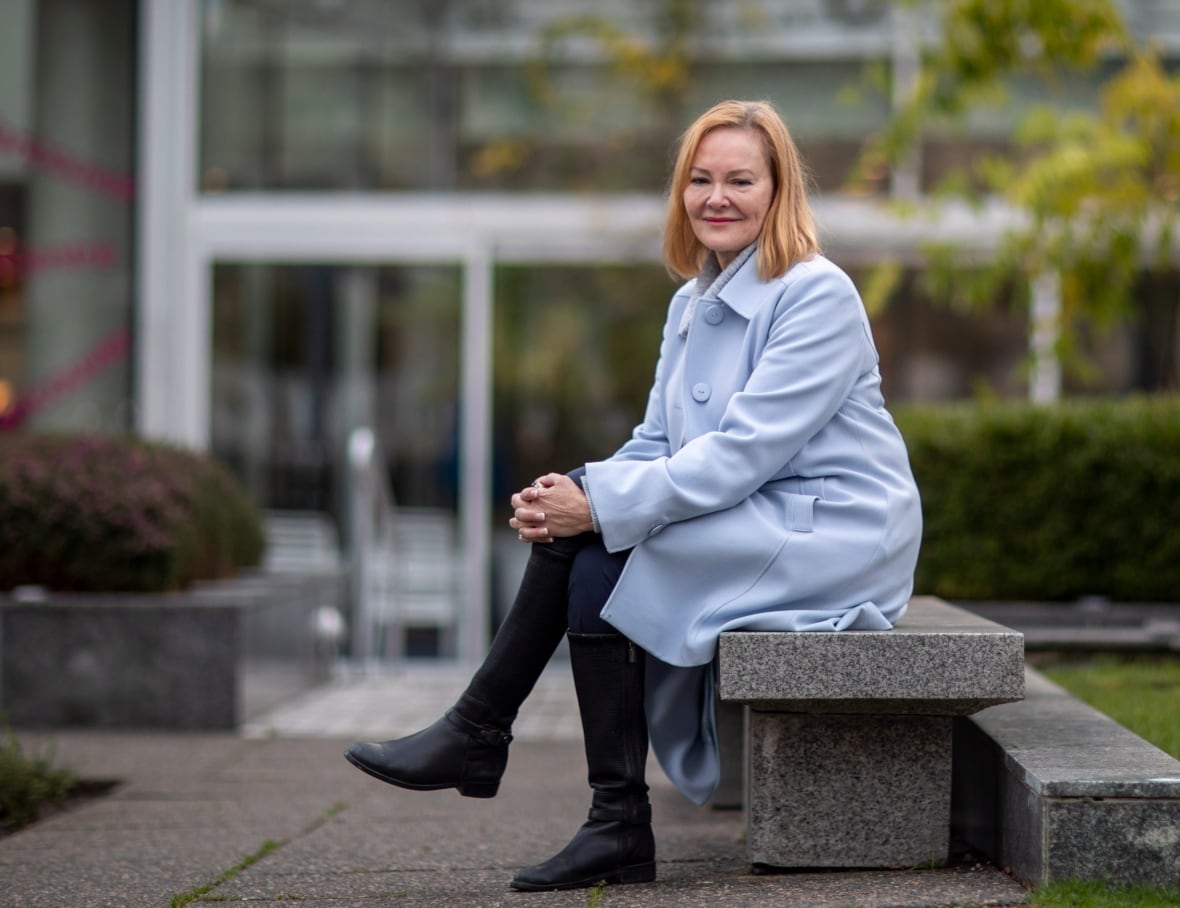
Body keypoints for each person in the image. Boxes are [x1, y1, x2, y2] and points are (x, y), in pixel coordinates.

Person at [345, 99, 923, 892]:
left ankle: (497, 742)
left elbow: (742, 455)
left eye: (740, 180)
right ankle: (590, 806)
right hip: (756, 515)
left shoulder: (815, 295)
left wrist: (598, 507)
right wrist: (572, 494)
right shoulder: (691, 302)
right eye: (700, 179)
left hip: (831, 532)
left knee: (600, 549)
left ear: (779, 191)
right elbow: (657, 442)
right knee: (585, 543)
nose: (716, 197)